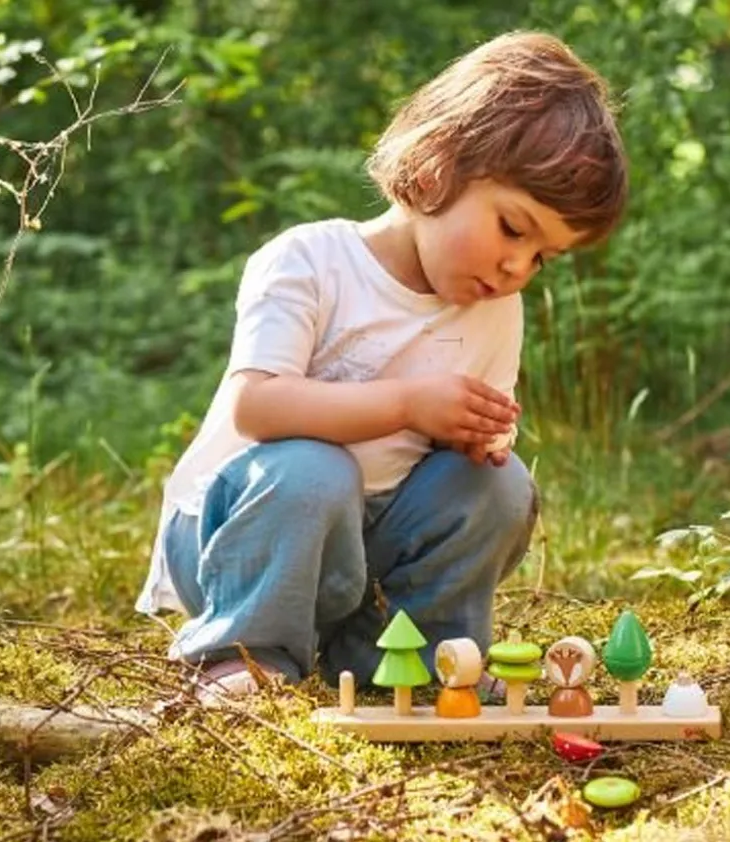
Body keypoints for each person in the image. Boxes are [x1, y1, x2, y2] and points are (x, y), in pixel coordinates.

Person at [136, 30, 628, 700]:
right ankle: (245, 653)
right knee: (315, 467)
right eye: (514, 229)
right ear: (435, 172)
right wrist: (409, 404)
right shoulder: (308, 261)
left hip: (368, 551)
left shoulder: (494, 311)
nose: (519, 267)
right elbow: (258, 407)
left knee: (500, 485)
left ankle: (407, 659)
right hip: (240, 539)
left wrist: (478, 438)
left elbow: (468, 464)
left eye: (544, 256)